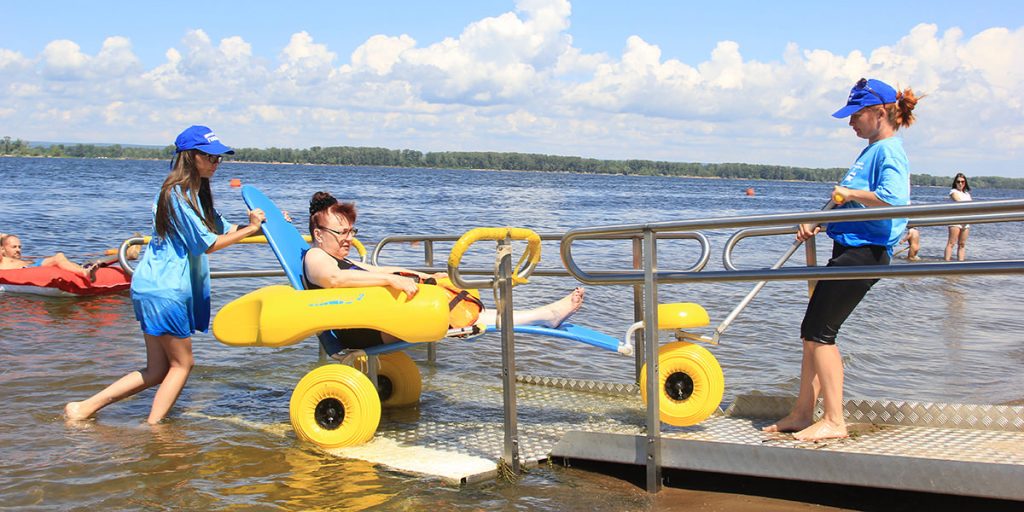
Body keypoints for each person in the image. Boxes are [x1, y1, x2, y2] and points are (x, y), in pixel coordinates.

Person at [65, 125, 267, 424]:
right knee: (183, 364)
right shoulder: (176, 194)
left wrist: (263, 223)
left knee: (157, 370)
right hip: (165, 289)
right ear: (191, 156)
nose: (216, 163)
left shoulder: (196, 194)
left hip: (154, 286)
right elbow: (206, 244)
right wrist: (250, 229)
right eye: (210, 157)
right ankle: (155, 429)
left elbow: (223, 228)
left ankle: (83, 408)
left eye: (219, 158)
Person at [764, 78, 920, 441]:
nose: (851, 123)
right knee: (811, 335)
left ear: (880, 112)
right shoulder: (871, 150)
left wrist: (850, 192)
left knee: (821, 333)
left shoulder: (889, 151)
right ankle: (803, 413)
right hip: (848, 246)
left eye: (856, 115)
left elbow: (894, 202)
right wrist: (818, 220)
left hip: (866, 252)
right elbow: (847, 203)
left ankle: (834, 420)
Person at [303, 191, 585, 356]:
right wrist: (391, 280)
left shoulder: (340, 258)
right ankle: (542, 317)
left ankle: (540, 316)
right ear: (319, 234)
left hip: (372, 322)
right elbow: (334, 280)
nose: (349, 239)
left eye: (352, 232)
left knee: (451, 295)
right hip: (359, 332)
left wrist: (423, 276)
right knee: (453, 313)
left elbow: (376, 269)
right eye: (342, 233)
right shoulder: (316, 257)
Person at [0, 233, 101, 280]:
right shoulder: (2, 259)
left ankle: (87, 270)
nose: (18, 250)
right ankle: (84, 272)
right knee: (58, 257)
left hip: (33, 264)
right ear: (3, 249)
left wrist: (6, 237)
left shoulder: (17, 258)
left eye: (19, 247)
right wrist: (4, 237)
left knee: (63, 259)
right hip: (28, 269)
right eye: (14, 247)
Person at [944, 172, 972, 261]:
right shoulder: (953, 192)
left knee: (962, 244)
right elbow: (958, 201)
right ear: (955, 182)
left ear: (965, 183)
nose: (960, 184)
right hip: (955, 220)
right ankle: (946, 262)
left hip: (966, 220)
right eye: (958, 181)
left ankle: (961, 263)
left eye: (962, 182)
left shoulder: (967, 194)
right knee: (951, 242)